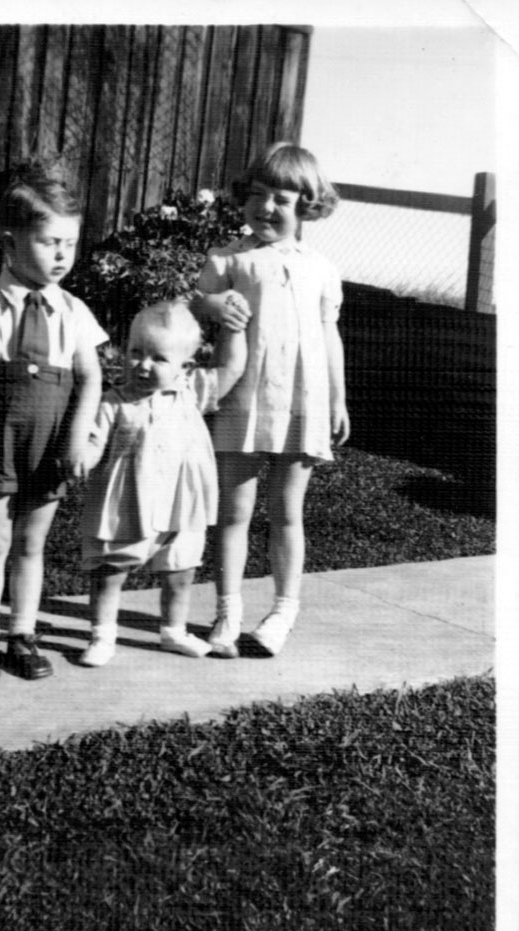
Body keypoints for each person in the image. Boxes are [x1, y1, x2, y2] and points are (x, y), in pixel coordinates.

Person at [0, 158, 107, 681]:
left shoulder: (75, 312)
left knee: (32, 543)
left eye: (69, 244)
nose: (61, 255)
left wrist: (76, 441)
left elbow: (92, 379)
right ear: (11, 243)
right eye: (49, 242)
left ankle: (23, 634)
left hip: (51, 444)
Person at [195, 142, 350, 658]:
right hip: (244, 397)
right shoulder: (228, 259)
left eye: (281, 200)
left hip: (304, 399)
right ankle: (227, 610)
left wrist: (338, 399)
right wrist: (210, 304)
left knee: (287, 512)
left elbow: (329, 336)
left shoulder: (321, 268)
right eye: (257, 195)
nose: (266, 207)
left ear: (307, 206)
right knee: (234, 512)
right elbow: (191, 307)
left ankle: (283, 611)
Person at [79, 298, 248, 667]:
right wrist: (81, 462)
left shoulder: (193, 391)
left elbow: (233, 367)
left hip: (182, 503)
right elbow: (93, 441)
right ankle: (102, 635)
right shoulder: (114, 401)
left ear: (185, 367)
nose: (143, 365)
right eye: (135, 353)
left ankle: (173, 630)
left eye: (158, 358)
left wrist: (234, 327)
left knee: (181, 570)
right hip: (127, 502)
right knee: (111, 571)